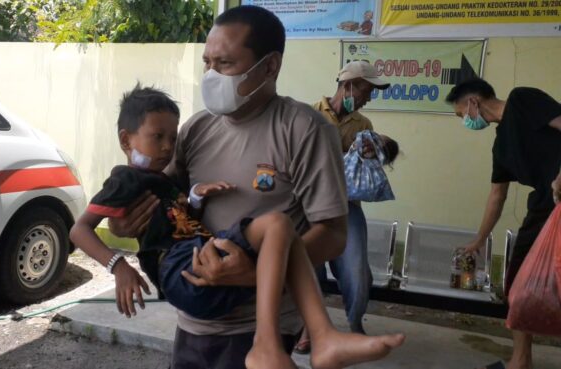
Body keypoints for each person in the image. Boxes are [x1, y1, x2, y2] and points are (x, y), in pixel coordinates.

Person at [107, 6, 402, 369]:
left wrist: (257, 271)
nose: (211, 75)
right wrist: (122, 223)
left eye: (225, 63)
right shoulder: (195, 129)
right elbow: (162, 202)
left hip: (260, 323)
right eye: (207, 63)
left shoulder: (304, 129)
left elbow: (334, 235)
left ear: (269, 66)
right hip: (195, 316)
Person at [444, 78, 561, 369]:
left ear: (473, 102)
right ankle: (521, 360)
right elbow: (497, 195)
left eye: (461, 115)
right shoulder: (501, 146)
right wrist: (479, 240)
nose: (465, 122)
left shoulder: (522, 99)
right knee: (518, 282)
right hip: (545, 208)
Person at [296, 61, 394, 354]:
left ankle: (354, 325)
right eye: (367, 90)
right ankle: (308, 328)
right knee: (309, 271)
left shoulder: (363, 126)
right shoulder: (309, 114)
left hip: (345, 207)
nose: (368, 98)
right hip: (307, 208)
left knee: (357, 271)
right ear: (348, 86)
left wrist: (372, 152)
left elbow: (369, 167)